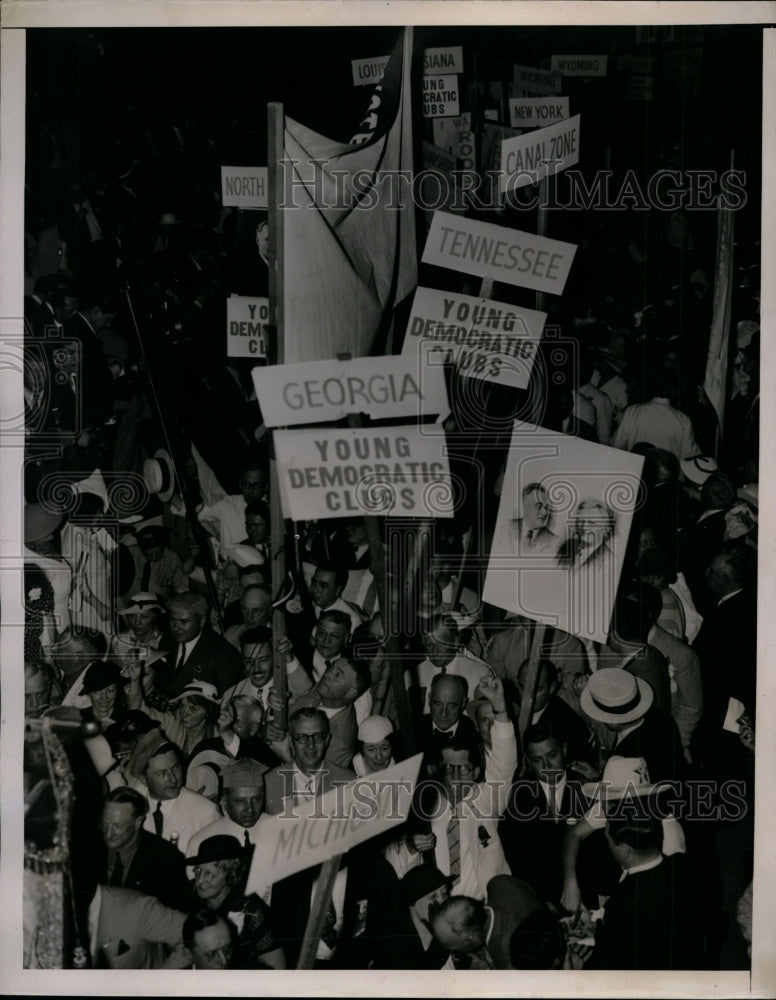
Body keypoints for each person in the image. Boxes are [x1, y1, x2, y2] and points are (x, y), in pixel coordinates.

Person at [388, 675, 516, 901]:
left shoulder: (487, 799)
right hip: (438, 909)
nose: (456, 776)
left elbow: (504, 764)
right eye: (449, 768)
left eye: (464, 768)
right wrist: (410, 847)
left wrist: (499, 706)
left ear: (476, 772)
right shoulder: (421, 805)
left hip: (484, 905)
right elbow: (393, 865)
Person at [264, 707, 355, 966]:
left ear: (327, 739)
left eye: (317, 736)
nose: (311, 745)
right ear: (291, 741)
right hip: (288, 906)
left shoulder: (348, 781)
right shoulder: (270, 782)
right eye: (302, 738)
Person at [499, 718, 593, 907]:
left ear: (564, 749)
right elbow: (514, 856)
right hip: (539, 903)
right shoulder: (517, 795)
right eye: (537, 760)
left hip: (587, 896)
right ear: (528, 760)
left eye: (552, 755)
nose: (547, 766)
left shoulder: (588, 788)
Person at [589, 814, 697, 969]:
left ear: (625, 850)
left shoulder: (622, 906)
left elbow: (606, 961)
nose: (608, 846)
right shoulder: (680, 868)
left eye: (608, 841)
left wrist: (598, 921)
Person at [186, 835, 285, 969]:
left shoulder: (250, 909)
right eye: (198, 870)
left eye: (209, 874)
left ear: (231, 874)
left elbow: (277, 967)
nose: (200, 881)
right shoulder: (190, 895)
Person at [90, 786, 191, 910]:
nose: (109, 834)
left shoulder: (166, 859)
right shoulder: (88, 848)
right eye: (105, 824)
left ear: (138, 822)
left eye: (118, 826)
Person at [130, 731, 220, 855]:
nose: (173, 779)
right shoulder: (132, 806)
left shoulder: (206, 812)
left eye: (176, 768)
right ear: (144, 779)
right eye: (162, 773)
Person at [429, 876, 545, 970]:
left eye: (456, 948)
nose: (456, 952)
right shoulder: (498, 883)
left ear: (474, 938)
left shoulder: (508, 961)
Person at [283, 656, 372, 768]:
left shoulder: (341, 743)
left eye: (338, 675)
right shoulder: (326, 690)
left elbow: (313, 776)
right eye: (331, 667)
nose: (327, 675)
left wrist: (284, 754)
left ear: (350, 693)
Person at [155, 592, 242, 698]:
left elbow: (227, 701)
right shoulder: (167, 641)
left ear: (202, 621)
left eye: (184, 621)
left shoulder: (224, 655)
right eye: (173, 620)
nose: (176, 627)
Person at [187, 759, 268, 857]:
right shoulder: (201, 841)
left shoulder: (277, 830)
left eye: (256, 799)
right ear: (225, 801)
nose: (250, 809)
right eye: (240, 801)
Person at [508, 482, 559, 556]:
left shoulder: (554, 541)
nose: (545, 512)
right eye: (539, 506)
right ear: (525, 506)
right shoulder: (506, 528)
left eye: (546, 507)